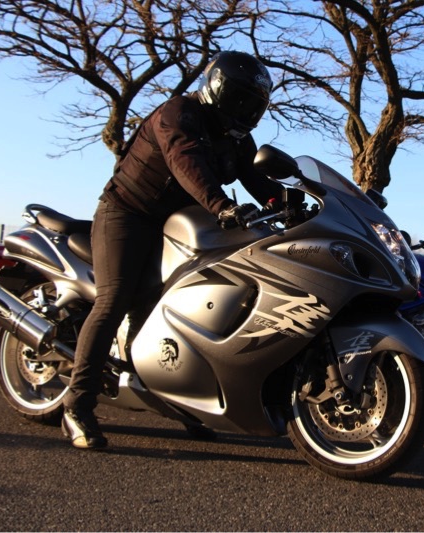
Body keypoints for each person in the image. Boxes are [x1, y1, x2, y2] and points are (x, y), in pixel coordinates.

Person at [61, 51, 284, 449]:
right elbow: (186, 161)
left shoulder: (238, 140)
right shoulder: (178, 113)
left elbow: (258, 180)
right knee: (114, 300)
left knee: (186, 306)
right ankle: (77, 406)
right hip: (128, 213)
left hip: (178, 224)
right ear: (217, 89)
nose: (244, 110)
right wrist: (222, 206)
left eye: (252, 104)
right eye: (239, 99)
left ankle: (181, 401)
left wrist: (294, 205)